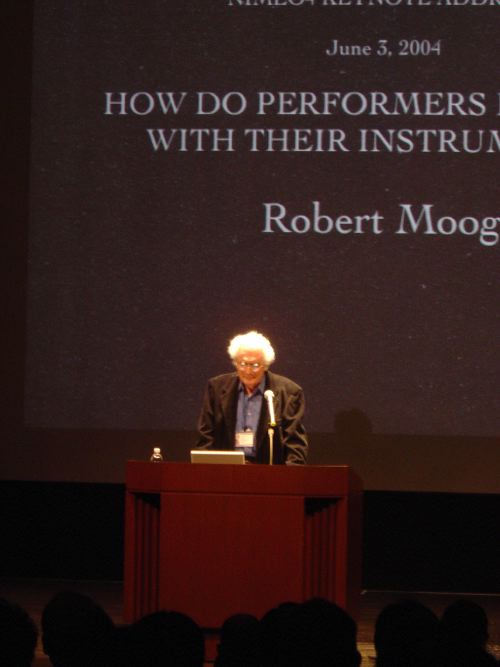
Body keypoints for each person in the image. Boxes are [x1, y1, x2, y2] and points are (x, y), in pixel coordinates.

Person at [196, 331, 308, 464]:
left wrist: (290, 475)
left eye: (255, 365)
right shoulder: (216, 388)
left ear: (265, 365)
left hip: (269, 471)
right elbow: (206, 437)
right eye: (243, 364)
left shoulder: (290, 392)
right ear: (235, 363)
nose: (248, 371)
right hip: (226, 470)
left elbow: (295, 445)